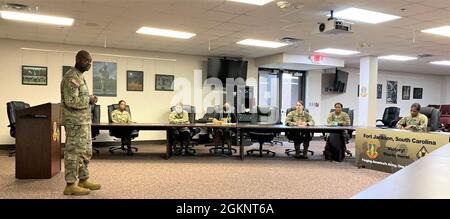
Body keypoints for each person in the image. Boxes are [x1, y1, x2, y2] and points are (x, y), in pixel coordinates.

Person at [60, 50, 101, 195]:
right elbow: (71, 101)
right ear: (78, 60)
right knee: (73, 153)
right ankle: (70, 184)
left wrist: (89, 97)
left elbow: (79, 97)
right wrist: (88, 100)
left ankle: (83, 180)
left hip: (83, 121)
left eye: (91, 61)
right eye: (86, 61)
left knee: (85, 152)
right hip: (75, 123)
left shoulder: (80, 76)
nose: (89, 64)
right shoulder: (71, 77)